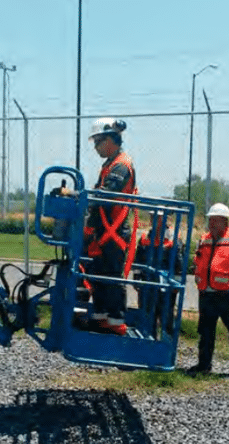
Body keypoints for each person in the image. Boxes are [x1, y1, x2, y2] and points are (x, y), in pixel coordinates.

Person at [186, 203, 229, 376]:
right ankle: (204, 365)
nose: (212, 224)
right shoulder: (203, 239)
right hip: (207, 293)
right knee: (205, 332)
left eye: (216, 220)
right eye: (210, 220)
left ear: (225, 221)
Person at [83, 117, 137, 335]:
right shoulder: (109, 164)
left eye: (98, 141)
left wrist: (81, 196)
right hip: (104, 230)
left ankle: (116, 322)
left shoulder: (121, 165)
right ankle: (101, 318)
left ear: (111, 139)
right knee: (98, 274)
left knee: (112, 277)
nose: (95, 147)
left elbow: (106, 195)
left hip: (114, 230)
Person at [134, 209, 184, 338]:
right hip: (147, 284)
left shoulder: (174, 238)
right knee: (147, 315)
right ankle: (148, 346)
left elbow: (179, 263)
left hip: (165, 286)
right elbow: (138, 259)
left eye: (159, 217)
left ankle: (166, 349)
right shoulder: (145, 237)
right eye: (153, 217)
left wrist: (176, 284)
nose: (155, 220)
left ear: (167, 219)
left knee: (166, 317)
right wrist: (136, 278)